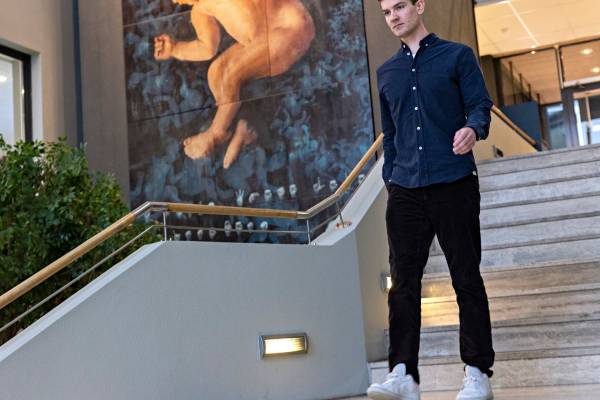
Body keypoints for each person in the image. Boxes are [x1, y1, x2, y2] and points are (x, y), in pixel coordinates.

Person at [366, 1, 495, 400]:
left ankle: (477, 373)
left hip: (453, 181)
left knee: (466, 279)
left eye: (400, 7)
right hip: (405, 189)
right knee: (403, 285)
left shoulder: (457, 56)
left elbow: (480, 105)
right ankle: (403, 374)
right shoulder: (387, 72)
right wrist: (391, 179)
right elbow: (390, 133)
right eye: (386, 12)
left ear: (419, 6)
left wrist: (473, 129)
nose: (393, 16)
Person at [154, 0, 315, 169]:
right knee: (216, 72)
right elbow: (207, 48)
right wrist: (176, 49)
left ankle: (215, 133)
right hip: (262, 41)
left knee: (231, 74)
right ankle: (241, 127)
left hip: (290, 29)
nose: (178, 1)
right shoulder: (199, 11)